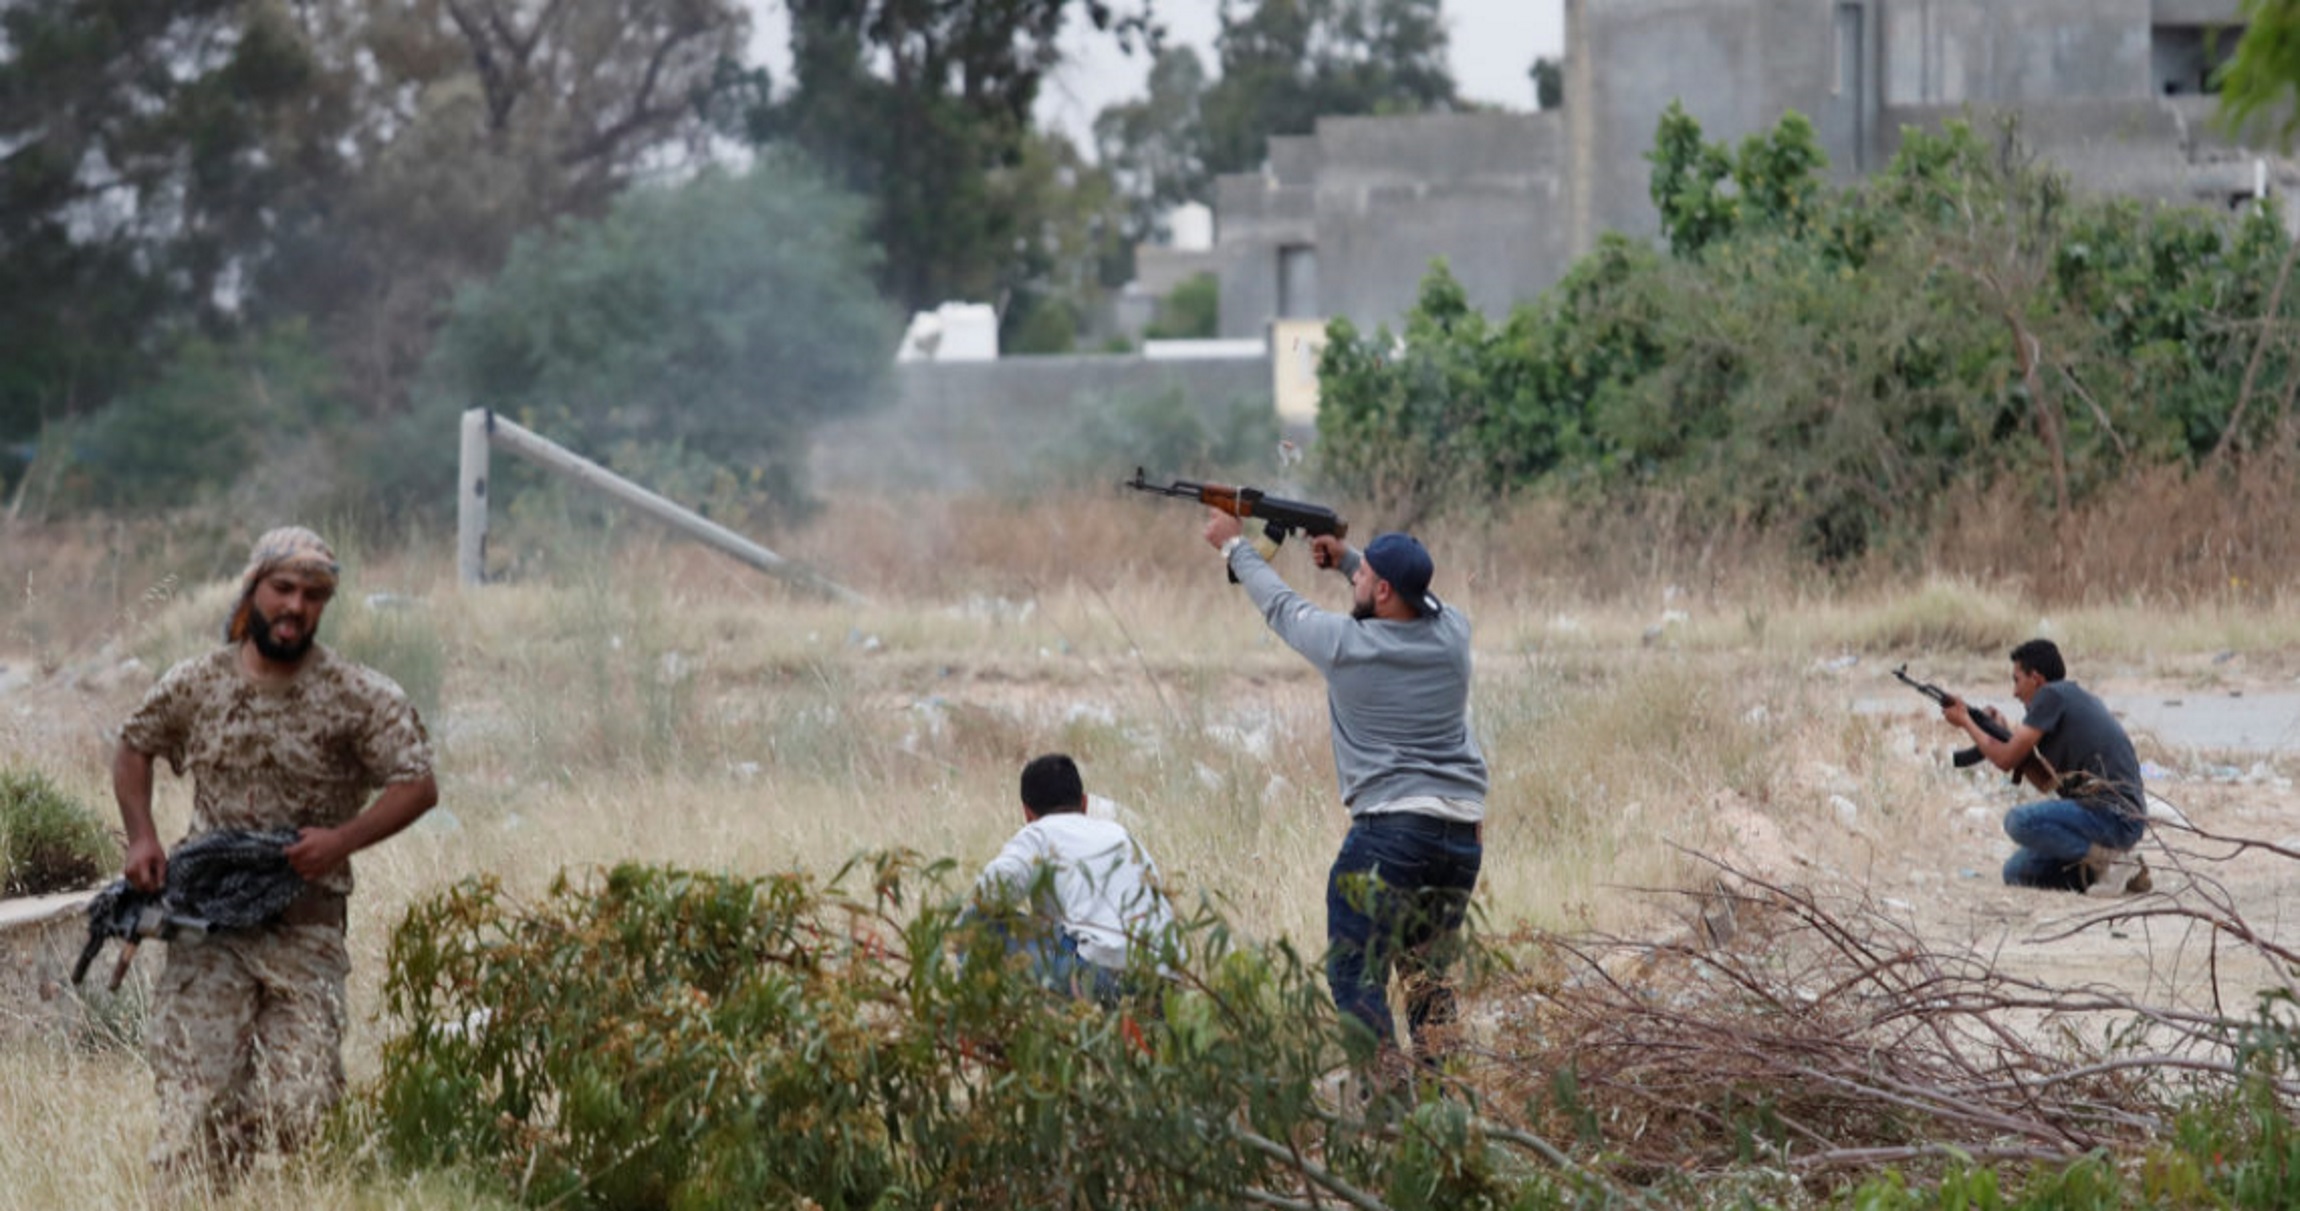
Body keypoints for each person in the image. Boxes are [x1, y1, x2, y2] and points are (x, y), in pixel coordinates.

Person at [113, 526, 439, 1187]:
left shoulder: (356, 693)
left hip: (305, 930)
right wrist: (142, 836)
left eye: (313, 595)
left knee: (303, 1103)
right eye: (283, 588)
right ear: (253, 589)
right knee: (193, 1110)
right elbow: (133, 745)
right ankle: (203, 1183)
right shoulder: (197, 682)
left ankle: (237, 1164)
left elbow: (418, 784)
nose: (295, 606)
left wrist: (341, 840)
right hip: (209, 931)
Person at [1201, 511, 1486, 1066]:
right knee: (1428, 985)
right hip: (1460, 838)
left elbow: (1281, 606)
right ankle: (1442, 1112)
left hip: (1391, 837)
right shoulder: (1455, 634)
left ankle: (1389, 1116)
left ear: (1382, 591)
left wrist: (1234, 546)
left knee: (1355, 977)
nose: (1352, 580)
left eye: (1362, 577)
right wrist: (1348, 558)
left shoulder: (1346, 646)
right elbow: (1409, 596)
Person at [1940, 638, 2149, 893]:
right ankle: (2116, 873)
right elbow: (2046, 782)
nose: (2014, 692)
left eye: (2017, 680)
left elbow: (2005, 760)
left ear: (2036, 678)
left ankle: (2108, 861)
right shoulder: (2068, 699)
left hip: (2113, 817)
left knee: (2018, 821)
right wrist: (2004, 734)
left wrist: (1966, 722)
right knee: (2016, 872)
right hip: (2115, 819)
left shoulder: (2052, 694)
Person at [973, 753, 1177, 1003]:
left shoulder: (1037, 834)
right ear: (1083, 803)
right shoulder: (1119, 834)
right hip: (1164, 981)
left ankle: (981, 1027)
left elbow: (989, 893)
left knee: (975, 922)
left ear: (1027, 813)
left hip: (1101, 978)